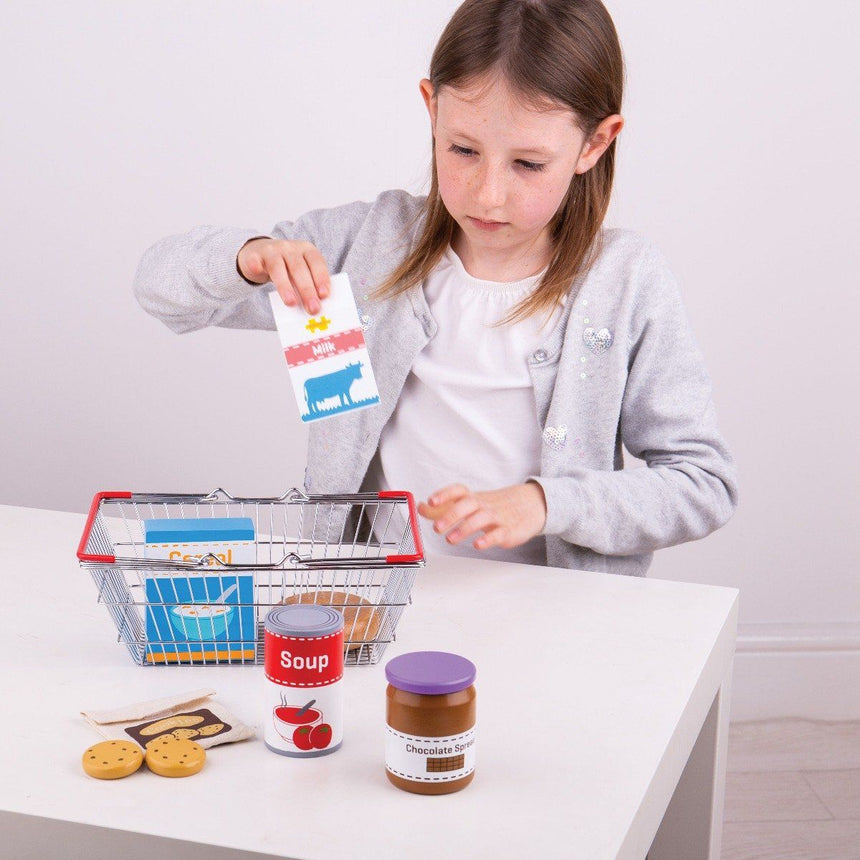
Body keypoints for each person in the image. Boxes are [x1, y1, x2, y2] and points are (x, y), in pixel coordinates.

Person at [134, 0, 738, 577]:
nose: (487, 193)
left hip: (559, 622)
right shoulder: (365, 249)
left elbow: (702, 485)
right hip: (375, 604)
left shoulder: (626, 281)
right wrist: (245, 259)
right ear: (431, 107)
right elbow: (160, 293)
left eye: (528, 164)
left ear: (595, 143)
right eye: (463, 149)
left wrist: (545, 504)